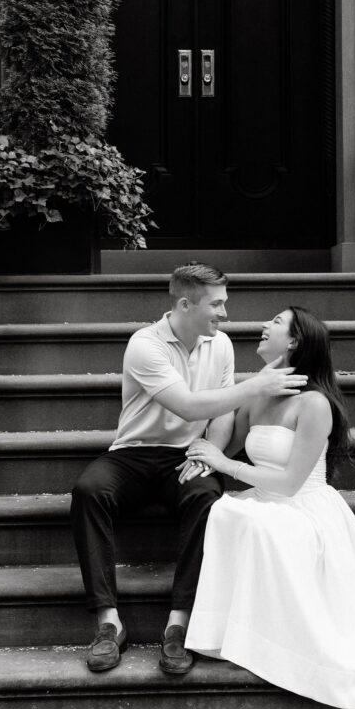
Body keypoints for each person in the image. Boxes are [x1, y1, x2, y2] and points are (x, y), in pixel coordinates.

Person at [183, 305, 355, 709]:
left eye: (276, 323)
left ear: (295, 342)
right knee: (227, 512)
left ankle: (276, 644)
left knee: (258, 524)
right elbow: (225, 443)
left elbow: (290, 481)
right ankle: (237, 636)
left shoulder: (314, 404)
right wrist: (204, 452)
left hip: (302, 506)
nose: (264, 325)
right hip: (263, 498)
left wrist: (225, 464)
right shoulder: (259, 395)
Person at [70, 263, 308, 676]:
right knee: (89, 490)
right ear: (185, 304)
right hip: (134, 452)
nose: (225, 313)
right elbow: (188, 404)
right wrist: (257, 385)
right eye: (216, 304)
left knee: (206, 497)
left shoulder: (221, 345)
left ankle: (178, 624)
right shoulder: (145, 345)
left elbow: (221, 413)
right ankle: (108, 622)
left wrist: (208, 453)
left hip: (186, 454)